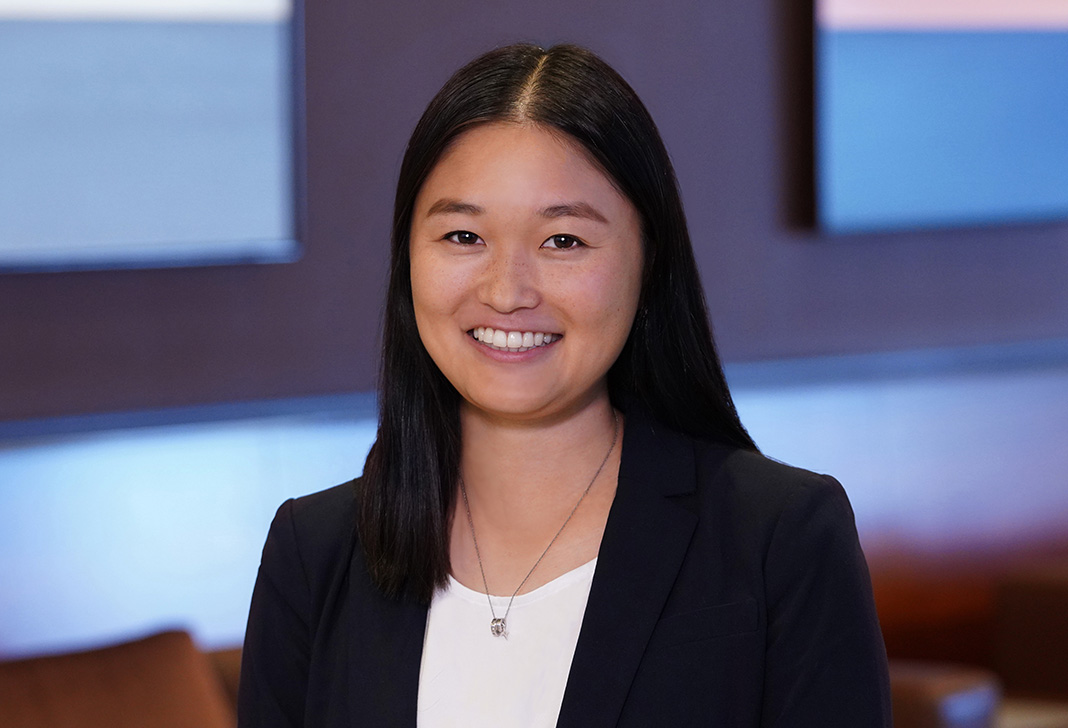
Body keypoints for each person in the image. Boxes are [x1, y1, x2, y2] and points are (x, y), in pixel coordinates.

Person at [238, 43, 892, 727]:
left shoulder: (780, 539)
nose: (507, 292)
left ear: (649, 261)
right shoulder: (314, 554)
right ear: (408, 257)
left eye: (563, 241)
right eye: (463, 236)